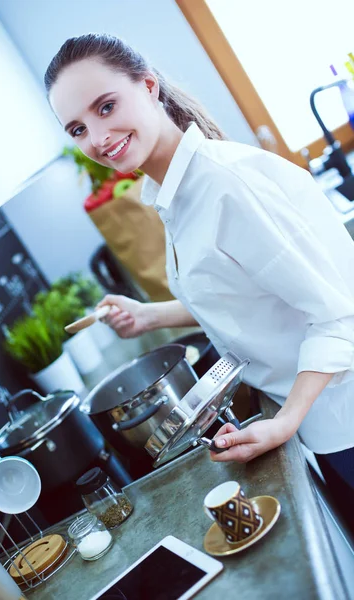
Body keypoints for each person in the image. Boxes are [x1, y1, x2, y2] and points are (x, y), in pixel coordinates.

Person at [45, 33, 354, 534]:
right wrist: (150, 315)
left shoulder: (223, 185)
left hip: (344, 417)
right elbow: (241, 294)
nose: (97, 137)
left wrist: (284, 421)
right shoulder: (175, 193)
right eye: (78, 127)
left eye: (106, 106)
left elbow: (338, 315)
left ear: (148, 86)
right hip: (326, 423)